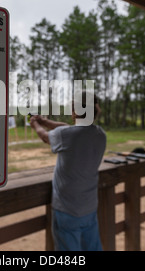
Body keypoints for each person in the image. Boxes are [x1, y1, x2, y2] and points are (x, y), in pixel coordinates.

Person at [29, 94, 106, 251]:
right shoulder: (100, 134)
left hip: (66, 209)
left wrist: (35, 124)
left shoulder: (67, 135)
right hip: (89, 207)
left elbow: (45, 136)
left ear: (75, 112)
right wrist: (43, 121)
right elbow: (67, 129)